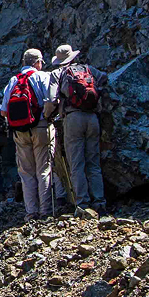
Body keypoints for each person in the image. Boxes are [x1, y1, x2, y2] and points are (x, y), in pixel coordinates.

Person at [51, 44, 105, 210]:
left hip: (73, 118)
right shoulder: (89, 69)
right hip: (92, 117)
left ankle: (82, 203)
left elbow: (53, 98)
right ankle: (100, 202)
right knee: (94, 163)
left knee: (76, 164)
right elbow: (104, 78)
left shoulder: (58, 73)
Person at [4, 48, 56, 219]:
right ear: (38, 62)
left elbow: (4, 111)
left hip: (19, 131)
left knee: (26, 172)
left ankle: (31, 211)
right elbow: (52, 101)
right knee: (44, 169)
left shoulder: (13, 80)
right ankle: (46, 210)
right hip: (41, 126)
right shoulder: (44, 76)